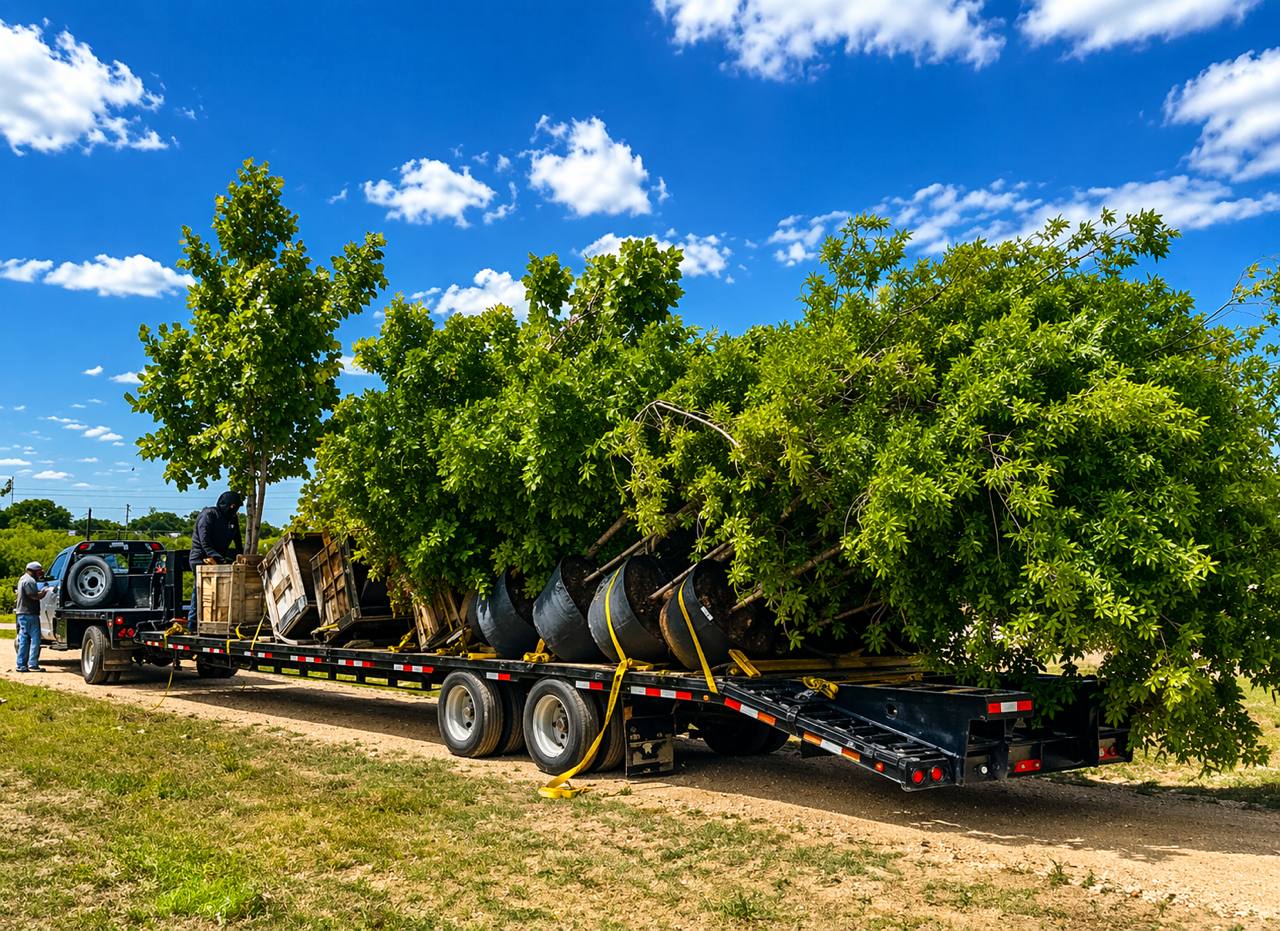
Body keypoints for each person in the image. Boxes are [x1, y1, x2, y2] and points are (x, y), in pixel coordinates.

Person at [188, 491, 244, 631]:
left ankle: (220, 621)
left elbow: (237, 540)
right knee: (202, 590)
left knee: (222, 591)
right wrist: (217, 557)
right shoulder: (209, 515)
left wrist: (241, 556)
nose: (234, 509)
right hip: (201, 558)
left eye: (235, 507)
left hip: (219, 559)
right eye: (232, 506)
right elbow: (204, 541)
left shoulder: (232, 519)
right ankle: (193, 624)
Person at [14, 560, 52, 673]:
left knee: (24, 639)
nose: (40, 573)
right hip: (30, 614)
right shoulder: (30, 581)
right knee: (35, 640)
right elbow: (33, 596)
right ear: (34, 571)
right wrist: (44, 592)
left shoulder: (22, 578)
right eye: (39, 571)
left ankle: (21, 665)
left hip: (22, 614)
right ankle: (33, 664)